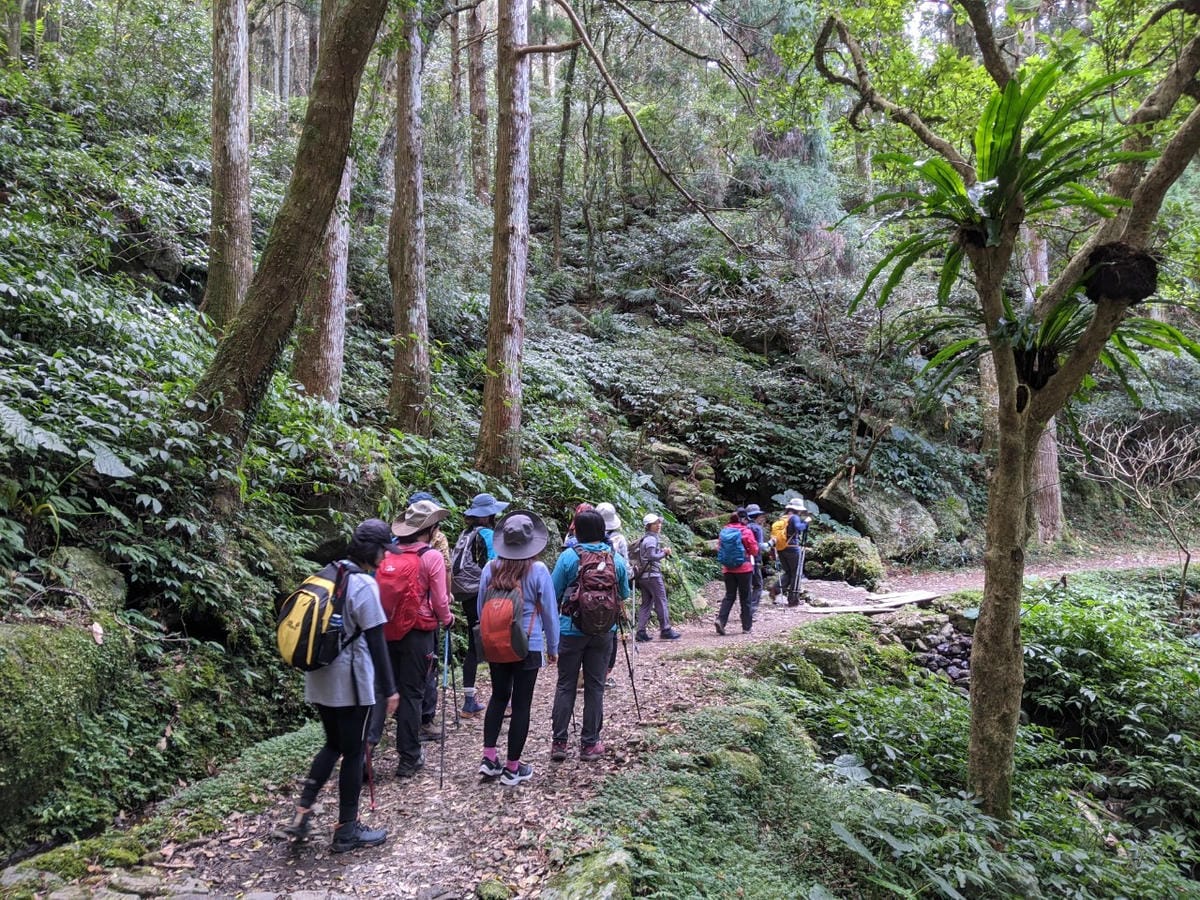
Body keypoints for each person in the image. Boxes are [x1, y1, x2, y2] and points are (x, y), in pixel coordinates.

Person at [284, 519, 399, 853]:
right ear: (374, 551)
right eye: (383, 551)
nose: (385, 557)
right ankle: (347, 829)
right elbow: (377, 641)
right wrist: (390, 689)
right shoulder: (363, 584)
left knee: (332, 744)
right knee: (353, 752)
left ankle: (302, 812)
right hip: (350, 683)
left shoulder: (328, 572)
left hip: (318, 677)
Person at [477, 510, 559, 786]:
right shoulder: (537, 570)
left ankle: (489, 759)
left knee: (498, 697)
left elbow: (481, 607)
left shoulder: (490, 568)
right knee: (521, 705)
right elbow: (549, 611)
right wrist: (553, 646)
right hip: (528, 645)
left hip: (496, 642)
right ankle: (513, 767)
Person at [377, 500, 454, 778]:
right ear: (430, 529)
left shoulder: (387, 553)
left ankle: (364, 757)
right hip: (418, 633)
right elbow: (440, 600)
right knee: (412, 694)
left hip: (386, 631)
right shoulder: (430, 556)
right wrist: (447, 620)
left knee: (385, 691)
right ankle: (408, 757)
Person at [550, 509, 631, 762]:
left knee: (566, 685)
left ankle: (559, 743)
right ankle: (589, 744)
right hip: (604, 631)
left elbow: (553, 591)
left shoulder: (568, 557)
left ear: (578, 531)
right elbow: (625, 594)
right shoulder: (614, 559)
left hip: (570, 629)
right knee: (595, 687)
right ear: (602, 531)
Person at [452, 492, 509, 718]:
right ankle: (502, 699)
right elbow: (496, 565)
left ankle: (469, 700)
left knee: (475, 645)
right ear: (487, 516)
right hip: (480, 592)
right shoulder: (487, 534)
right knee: (493, 643)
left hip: (464, 593)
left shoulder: (465, 533)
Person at [633, 513, 681, 642]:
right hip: (652, 576)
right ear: (649, 526)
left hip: (644, 577)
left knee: (646, 603)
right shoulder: (651, 540)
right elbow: (651, 556)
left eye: (659, 523)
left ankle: (641, 631)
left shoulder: (646, 539)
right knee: (661, 601)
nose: (659, 525)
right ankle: (665, 629)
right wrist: (664, 553)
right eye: (655, 523)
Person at [595, 502, 627, 687]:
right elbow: (625, 567)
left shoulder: (575, 544)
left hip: (581, 607)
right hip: (609, 600)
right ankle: (605, 674)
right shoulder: (619, 540)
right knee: (610, 635)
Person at [715, 511, 759, 635]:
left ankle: (721, 620)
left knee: (729, 595)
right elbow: (754, 550)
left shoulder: (724, 532)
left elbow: (719, 548)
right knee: (745, 598)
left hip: (728, 569)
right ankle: (746, 627)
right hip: (744, 568)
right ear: (743, 520)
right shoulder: (746, 531)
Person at [776, 498, 811, 607]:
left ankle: (776, 589)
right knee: (796, 573)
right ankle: (793, 600)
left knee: (789, 572)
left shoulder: (783, 517)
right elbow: (799, 528)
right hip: (792, 548)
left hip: (781, 548)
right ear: (798, 509)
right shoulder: (795, 517)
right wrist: (806, 522)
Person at [742, 504, 768, 616]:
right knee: (758, 585)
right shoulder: (757, 528)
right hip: (754, 559)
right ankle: (751, 611)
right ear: (757, 516)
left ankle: (745, 610)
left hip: (742, 560)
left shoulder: (743, 527)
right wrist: (771, 543)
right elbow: (760, 546)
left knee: (747, 586)